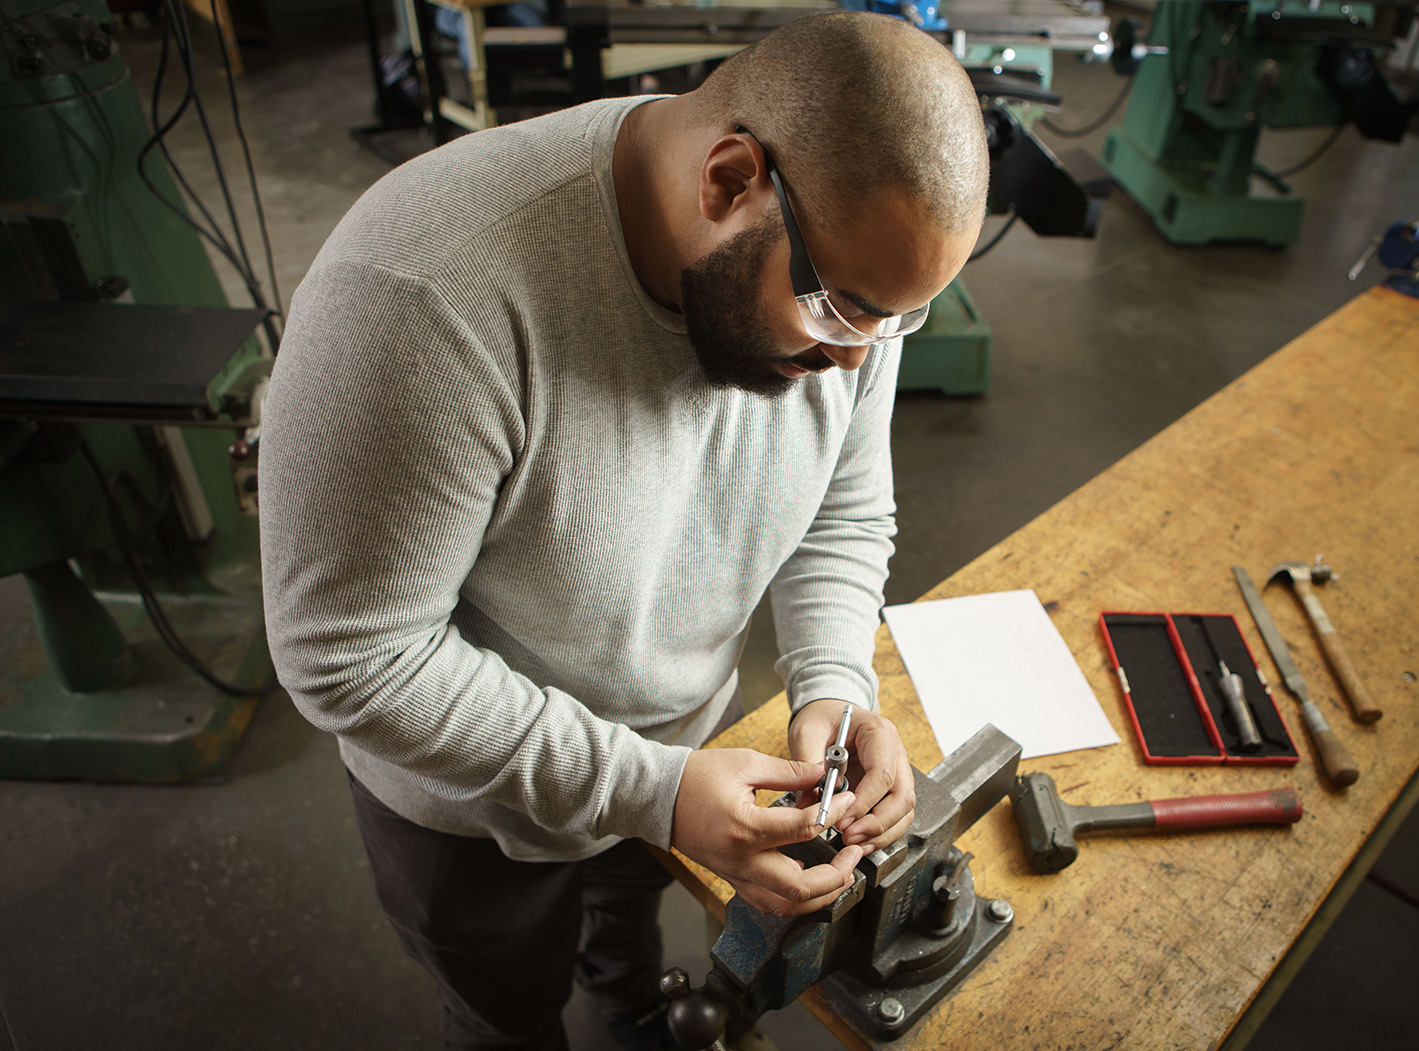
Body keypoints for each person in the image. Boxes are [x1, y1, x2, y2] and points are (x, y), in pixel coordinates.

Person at [259, 11, 988, 1050]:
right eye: (842, 311)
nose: (860, 362)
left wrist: (833, 682)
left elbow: (843, 504)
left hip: (684, 753)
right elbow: (351, 655)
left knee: (628, 945)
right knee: (506, 1010)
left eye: (897, 321)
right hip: (475, 814)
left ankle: (629, 1006)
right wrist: (651, 789)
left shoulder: (848, 275)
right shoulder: (424, 300)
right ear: (731, 178)